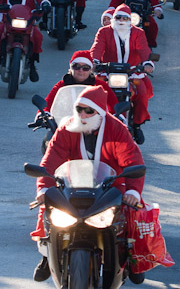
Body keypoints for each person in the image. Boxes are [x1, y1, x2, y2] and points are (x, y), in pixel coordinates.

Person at [31, 85, 145, 282]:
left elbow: (132, 160)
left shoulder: (117, 129)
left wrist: (133, 192)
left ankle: (135, 260)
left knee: (133, 214)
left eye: (88, 110)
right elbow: (51, 159)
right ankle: (47, 255)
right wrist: (43, 188)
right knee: (48, 209)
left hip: (110, 186)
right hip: (73, 184)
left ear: (99, 112)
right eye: (79, 109)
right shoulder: (67, 127)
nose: (82, 114)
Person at [90, 4, 155, 142]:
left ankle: (137, 125)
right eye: (118, 17)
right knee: (93, 92)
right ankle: (91, 121)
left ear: (130, 20)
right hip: (107, 71)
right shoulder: (104, 31)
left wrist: (147, 63)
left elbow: (144, 49)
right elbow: (97, 47)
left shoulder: (138, 33)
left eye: (125, 18)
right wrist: (94, 61)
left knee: (142, 94)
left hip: (131, 73)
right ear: (114, 18)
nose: (121, 21)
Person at [42, 50, 118, 115]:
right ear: (71, 68)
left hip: (94, 124)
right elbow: (47, 103)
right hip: (66, 122)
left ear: (90, 70)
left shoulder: (100, 85)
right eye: (76, 66)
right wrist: (43, 113)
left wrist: (117, 116)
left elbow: (114, 105)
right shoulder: (62, 85)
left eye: (86, 68)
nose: (81, 70)